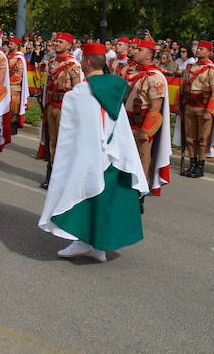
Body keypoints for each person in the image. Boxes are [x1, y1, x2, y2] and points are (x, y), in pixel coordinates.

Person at [38, 42, 148, 263]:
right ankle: (98, 247)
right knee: (105, 198)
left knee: (86, 195)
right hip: (117, 152)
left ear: (86, 62)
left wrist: (65, 160)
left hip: (88, 154)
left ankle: (84, 242)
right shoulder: (118, 86)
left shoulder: (77, 94)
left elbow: (70, 134)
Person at [124, 38, 171, 209]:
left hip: (140, 125)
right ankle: (125, 193)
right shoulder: (128, 72)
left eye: (139, 49)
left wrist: (146, 131)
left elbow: (155, 107)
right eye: (134, 48)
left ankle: (139, 197)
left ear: (149, 55)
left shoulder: (155, 77)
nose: (134, 51)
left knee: (142, 161)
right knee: (124, 161)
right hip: (125, 124)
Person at [36, 33, 82, 189]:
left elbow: (77, 89)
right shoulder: (52, 61)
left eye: (60, 42)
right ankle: (51, 174)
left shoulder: (73, 64)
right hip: (51, 105)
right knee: (51, 142)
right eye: (55, 41)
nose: (56, 44)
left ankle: (63, 177)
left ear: (69, 45)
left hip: (64, 108)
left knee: (64, 143)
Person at [173, 40, 214, 178]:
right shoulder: (189, 68)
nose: (198, 50)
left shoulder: (212, 70)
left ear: (208, 52)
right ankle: (192, 165)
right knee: (190, 138)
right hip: (189, 106)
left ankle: (200, 167)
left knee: (203, 139)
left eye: (201, 49)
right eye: (197, 48)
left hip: (203, 107)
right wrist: (177, 104)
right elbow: (181, 89)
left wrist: (209, 111)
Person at [7, 37, 30, 134]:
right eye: (9, 43)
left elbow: (19, 75)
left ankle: (13, 127)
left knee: (13, 109)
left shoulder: (19, 58)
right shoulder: (8, 57)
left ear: (17, 45)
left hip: (14, 88)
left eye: (11, 43)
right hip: (6, 87)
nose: (9, 45)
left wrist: (6, 81)